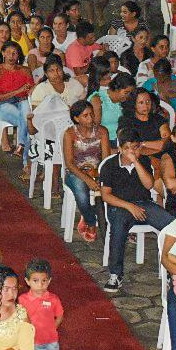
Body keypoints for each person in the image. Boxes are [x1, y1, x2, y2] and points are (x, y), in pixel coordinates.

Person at [100, 129, 176, 293]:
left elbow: (149, 185)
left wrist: (137, 163)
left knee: (172, 226)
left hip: (143, 204)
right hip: (120, 206)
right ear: (120, 148)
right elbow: (106, 196)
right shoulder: (110, 165)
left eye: (135, 147)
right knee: (118, 228)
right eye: (127, 148)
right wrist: (129, 206)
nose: (131, 152)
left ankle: (175, 270)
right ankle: (115, 274)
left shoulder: (144, 161)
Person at [61, 99, 109, 243]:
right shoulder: (70, 134)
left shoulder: (101, 131)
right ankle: (90, 220)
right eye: (85, 116)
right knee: (81, 191)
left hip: (96, 170)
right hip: (75, 172)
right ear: (76, 118)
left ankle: (107, 220)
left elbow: (105, 159)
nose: (90, 118)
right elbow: (69, 163)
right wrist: (87, 179)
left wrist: (98, 174)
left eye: (91, 114)